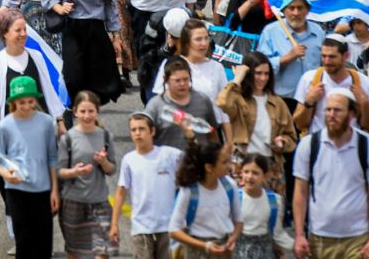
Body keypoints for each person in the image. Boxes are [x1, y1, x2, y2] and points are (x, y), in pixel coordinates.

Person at [293, 90, 369, 259]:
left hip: (358, 238)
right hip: (320, 237)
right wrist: (299, 235)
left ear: (352, 114)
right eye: (328, 110)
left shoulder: (367, 148)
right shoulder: (309, 146)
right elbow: (300, 192)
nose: (331, 115)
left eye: (337, 110)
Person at [41, 0, 126, 108]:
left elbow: (110, 6)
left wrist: (116, 37)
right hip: (74, 28)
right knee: (73, 76)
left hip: (96, 30)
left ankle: (89, 112)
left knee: (98, 78)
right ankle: (75, 109)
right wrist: (59, 7)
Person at [0, 75, 62, 259]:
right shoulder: (6, 125)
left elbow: (52, 157)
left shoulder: (47, 122)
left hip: (42, 189)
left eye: (30, 101)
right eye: (21, 102)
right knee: (24, 242)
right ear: (14, 102)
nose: (26, 106)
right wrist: (5, 175)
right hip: (17, 190)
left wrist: (54, 190)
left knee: (44, 243)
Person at [110, 110, 182, 259]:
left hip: (167, 227)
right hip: (141, 227)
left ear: (152, 131)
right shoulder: (129, 160)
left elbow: (193, 161)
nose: (137, 133)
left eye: (142, 129)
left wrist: (189, 133)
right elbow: (121, 191)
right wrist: (114, 223)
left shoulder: (169, 155)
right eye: (133, 130)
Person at [218, 51, 299, 172]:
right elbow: (222, 103)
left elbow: (291, 137)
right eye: (258, 73)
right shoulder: (238, 99)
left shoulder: (278, 103)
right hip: (242, 164)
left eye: (266, 74)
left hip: (271, 166)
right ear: (249, 74)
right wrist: (237, 79)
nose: (263, 78)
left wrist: (282, 142)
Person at [57, 92, 115, 259]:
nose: (87, 115)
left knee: (102, 251)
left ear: (97, 111)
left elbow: (111, 170)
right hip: (73, 203)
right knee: (74, 252)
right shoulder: (67, 138)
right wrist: (75, 171)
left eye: (91, 111)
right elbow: (60, 171)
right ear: (75, 112)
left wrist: (103, 162)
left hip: (99, 201)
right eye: (83, 111)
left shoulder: (105, 136)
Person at [167, 137, 240, 259]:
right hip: (197, 252)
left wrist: (233, 238)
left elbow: (239, 220)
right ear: (209, 167)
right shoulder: (190, 191)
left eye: (229, 161)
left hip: (224, 251)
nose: (229, 166)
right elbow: (174, 231)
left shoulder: (230, 186)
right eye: (224, 162)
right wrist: (205, 246)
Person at [145, 57, 229, 151]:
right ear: (166, 80)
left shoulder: (202, 100)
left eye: (186, 79)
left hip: (198, 162)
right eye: (177, 80)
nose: (182, 84)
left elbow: (213, 134)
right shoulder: (155, 106)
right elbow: (145, 139)